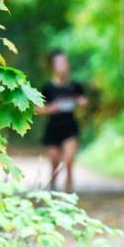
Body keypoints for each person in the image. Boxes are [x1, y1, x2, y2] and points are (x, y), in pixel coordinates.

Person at [35, 49, 88, 193]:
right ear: (53, 66)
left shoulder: (75, 87)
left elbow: (84, 103)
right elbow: (37, 109)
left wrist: (83, 103)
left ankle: (68, 195)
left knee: (69, 161)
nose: (62, 66)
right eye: (59, 63)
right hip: (53, 128)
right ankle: (52, 190)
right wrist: (49, 109)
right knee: (55, 163)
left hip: (70, 127)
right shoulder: (47, 88)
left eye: (64, 62)